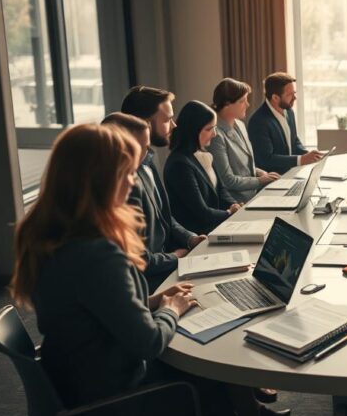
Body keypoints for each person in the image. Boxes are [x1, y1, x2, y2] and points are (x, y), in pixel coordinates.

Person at [8, 123, 291, 416]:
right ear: (100, 180)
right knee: (219, 359)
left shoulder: (50, 236)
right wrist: (172, 310)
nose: (131, 182)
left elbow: (95, 309)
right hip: (120, 407)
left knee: (215, 345)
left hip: (83, 384)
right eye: (126, 173)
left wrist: (156, 300)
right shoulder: (96, 252)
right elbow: (149, 343)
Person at [120, 87, 204, 288]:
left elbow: (164, 217)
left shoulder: (149, 159)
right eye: (167, 120)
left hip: (169, 262)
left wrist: (190, 238)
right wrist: (176, 257)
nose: (174, 125)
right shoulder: (124, 181)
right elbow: (139, 258)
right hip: (151, 280)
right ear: (145, 125)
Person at [164, 101, 242, 235]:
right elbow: (201, 212)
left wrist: (235, 206)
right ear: (192, 131)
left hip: (214, 228)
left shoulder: (203, 155)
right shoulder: (179, 164)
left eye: (215, 127)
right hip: (199, 236)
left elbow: (221, 191)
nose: (214, 134)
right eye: (209, 129)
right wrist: (230, 213)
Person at [208, 78, 281, 204]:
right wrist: (261, 181)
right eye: (242, 101)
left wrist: (261, 173)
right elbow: (228, 180)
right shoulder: (216, 135)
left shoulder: (240, 124)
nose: (247, 104)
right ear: (226, 104)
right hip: (235, 204)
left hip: (253, 197)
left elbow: (245, 166)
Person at [249, 72, 324, 174]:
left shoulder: (289, 111)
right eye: (289, 95)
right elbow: (266, 159)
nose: (294, 98)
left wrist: (310, 155)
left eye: (294, 93)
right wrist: (301, 159)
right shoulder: (258, 121)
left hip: (292, 173)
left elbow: (294, 140)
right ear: (275, 98)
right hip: (273, 180)